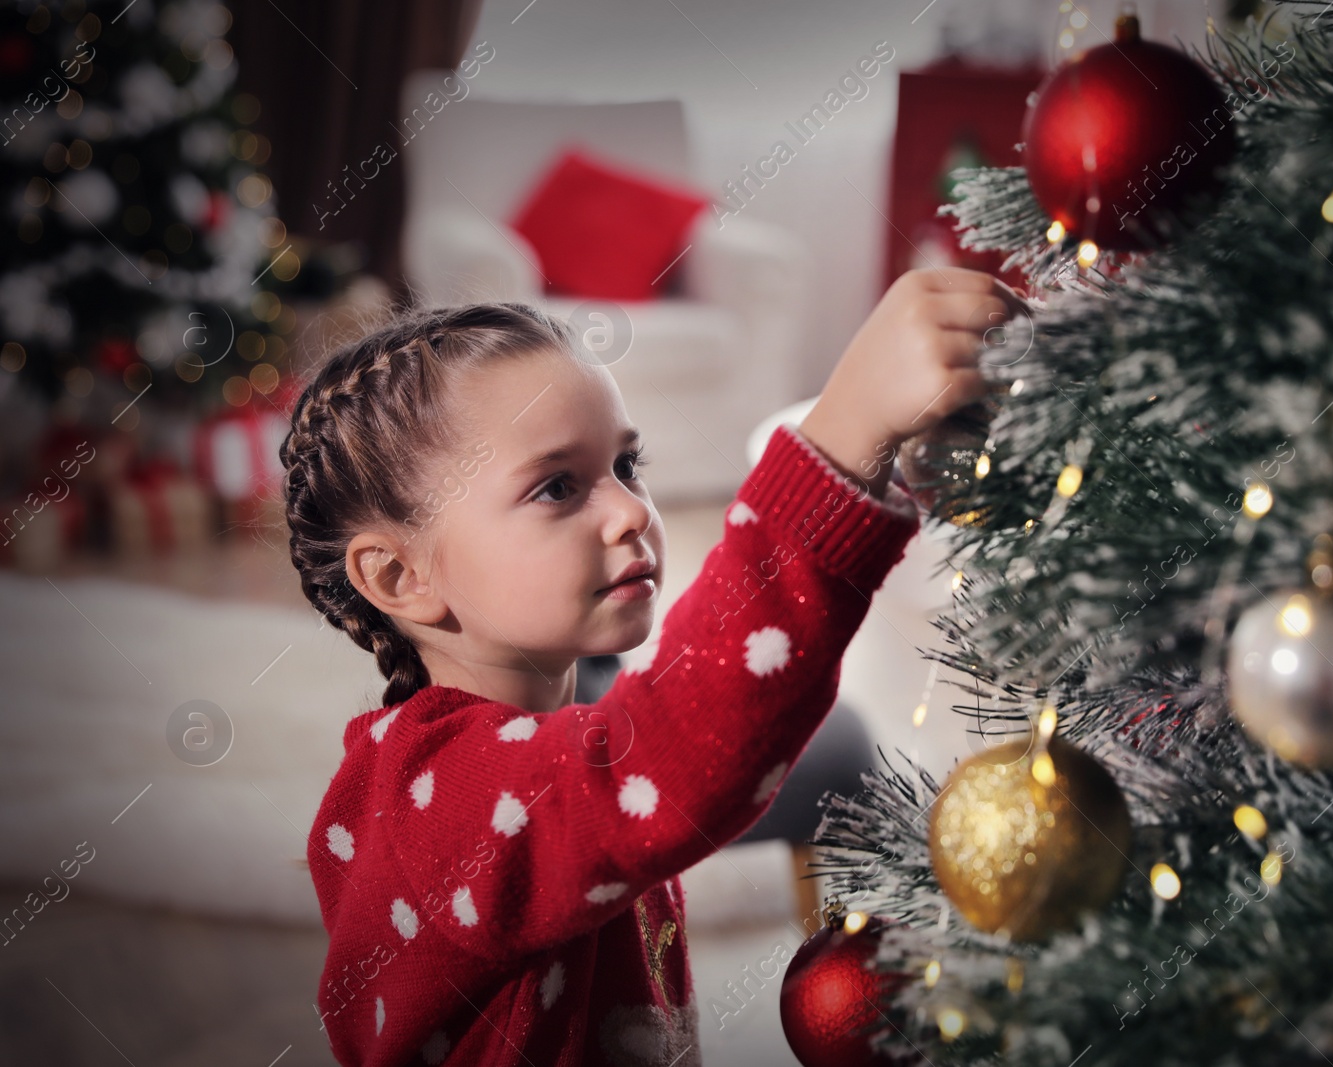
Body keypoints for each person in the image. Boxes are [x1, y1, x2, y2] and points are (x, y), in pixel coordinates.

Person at [282, 266, 1027, 1065]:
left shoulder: (547, 745)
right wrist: (838, 439)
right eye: (558, 486)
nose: (633, 510)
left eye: (627, 467)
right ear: (400, 578)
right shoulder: (434, 804)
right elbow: (680, 747)